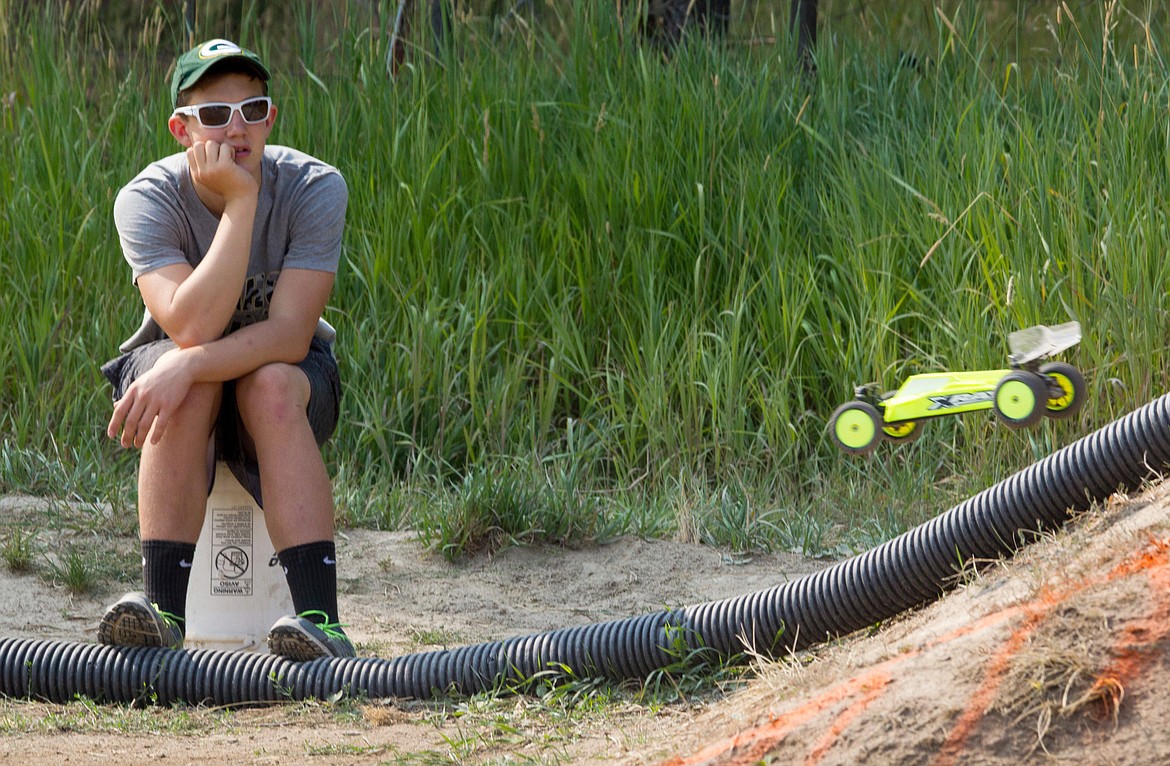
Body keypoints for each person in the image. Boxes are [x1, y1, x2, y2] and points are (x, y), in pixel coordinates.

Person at [98, 38, 353, 661]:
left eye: (251, 110)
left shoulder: (315, 186)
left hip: (287, 384)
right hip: (178, 384)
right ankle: (161, 616)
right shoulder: (145, 197)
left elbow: (293, 335)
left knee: (264, 383)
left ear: (270, 118)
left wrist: (188, 363)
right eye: (214, 115)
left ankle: (322, 621)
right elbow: (188, 327)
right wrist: (242, 204)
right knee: (187, 380)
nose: (235, 129)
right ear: (181, 129)